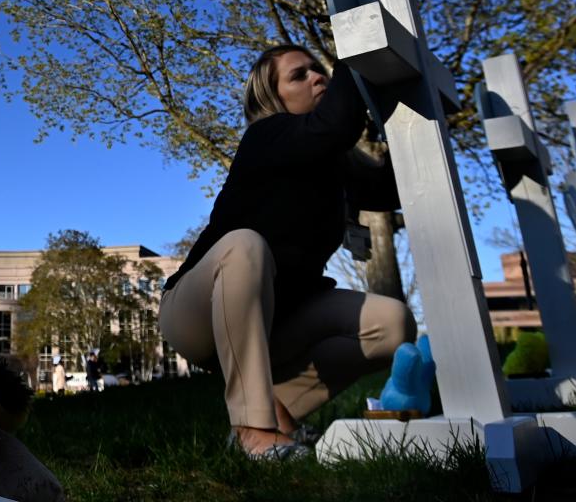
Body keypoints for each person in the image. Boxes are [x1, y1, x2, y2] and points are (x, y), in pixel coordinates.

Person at [159, 45, 416, 460]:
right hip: (197, 315)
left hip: (277, 322)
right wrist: (359, 47)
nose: (320, 77)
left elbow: (396, 186)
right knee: (245, 245)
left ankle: (277, 408)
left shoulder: (339, 167)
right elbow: (336, 124)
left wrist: (414, 106)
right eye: (300, 75)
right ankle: (251, 430)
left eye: (321, 70)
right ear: (271, 97)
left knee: (392, 323)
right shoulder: (266, 136)